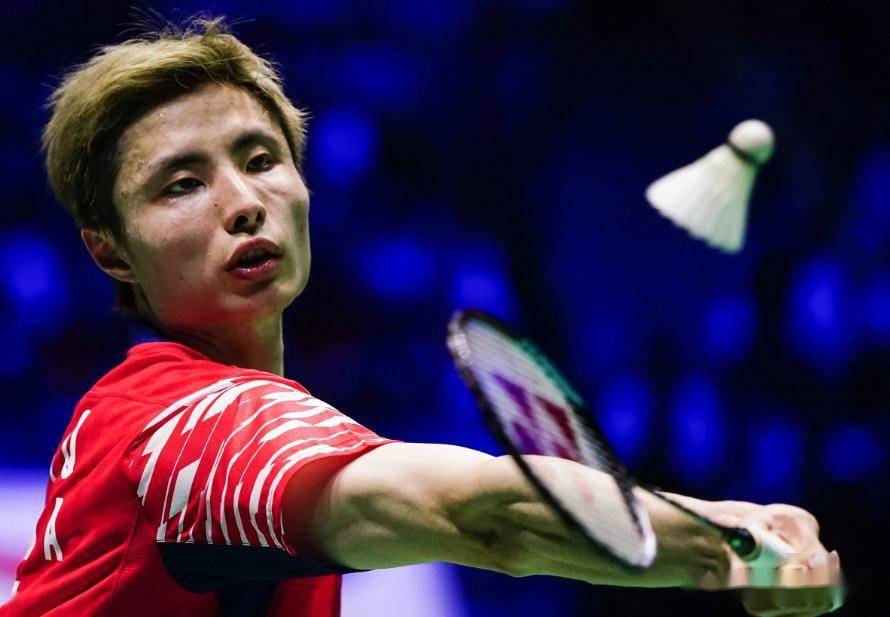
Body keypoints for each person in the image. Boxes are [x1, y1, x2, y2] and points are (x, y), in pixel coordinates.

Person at [2, 18, 839, 617]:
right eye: (182, 184)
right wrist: (728, 537)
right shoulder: (184, 426)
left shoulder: (160, 419)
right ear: (111, 250)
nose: (244, 201)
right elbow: (482, 515)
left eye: (261, 160)